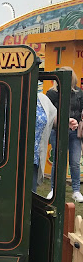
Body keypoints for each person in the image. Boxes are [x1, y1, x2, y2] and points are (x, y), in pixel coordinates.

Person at [47, 67, 83, 202]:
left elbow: (81, 109)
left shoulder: (79, 93)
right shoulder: (51, 93)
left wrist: (77, 121)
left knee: (74, 161)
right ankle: (53, 189)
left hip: (74, 131)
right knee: (57, 160)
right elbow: (50, 113)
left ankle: (76, 190)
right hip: (57, 130)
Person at [33, 92, 57, 192]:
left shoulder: (42, 99)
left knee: (29, 196)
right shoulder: (1, 93)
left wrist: (67, 121)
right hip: (4, 159)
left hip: (32, 158)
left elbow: (53, 117)